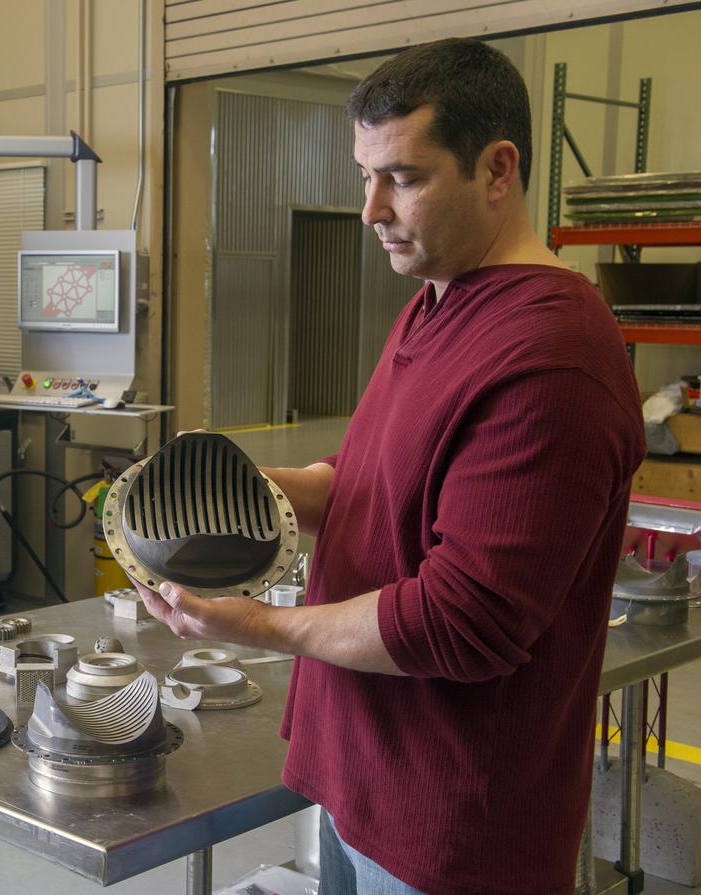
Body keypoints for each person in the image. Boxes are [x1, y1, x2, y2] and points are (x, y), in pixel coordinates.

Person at [136, 38, 645, 895]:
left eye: (403, 177)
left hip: (453, 829)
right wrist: (247, 494)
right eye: (363, 174)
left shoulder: (552, 354)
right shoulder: (435, 301)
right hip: (362, 784)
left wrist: (255, 625)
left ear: (497, 169)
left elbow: (463, 620)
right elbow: (371, 476)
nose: (370, 207)